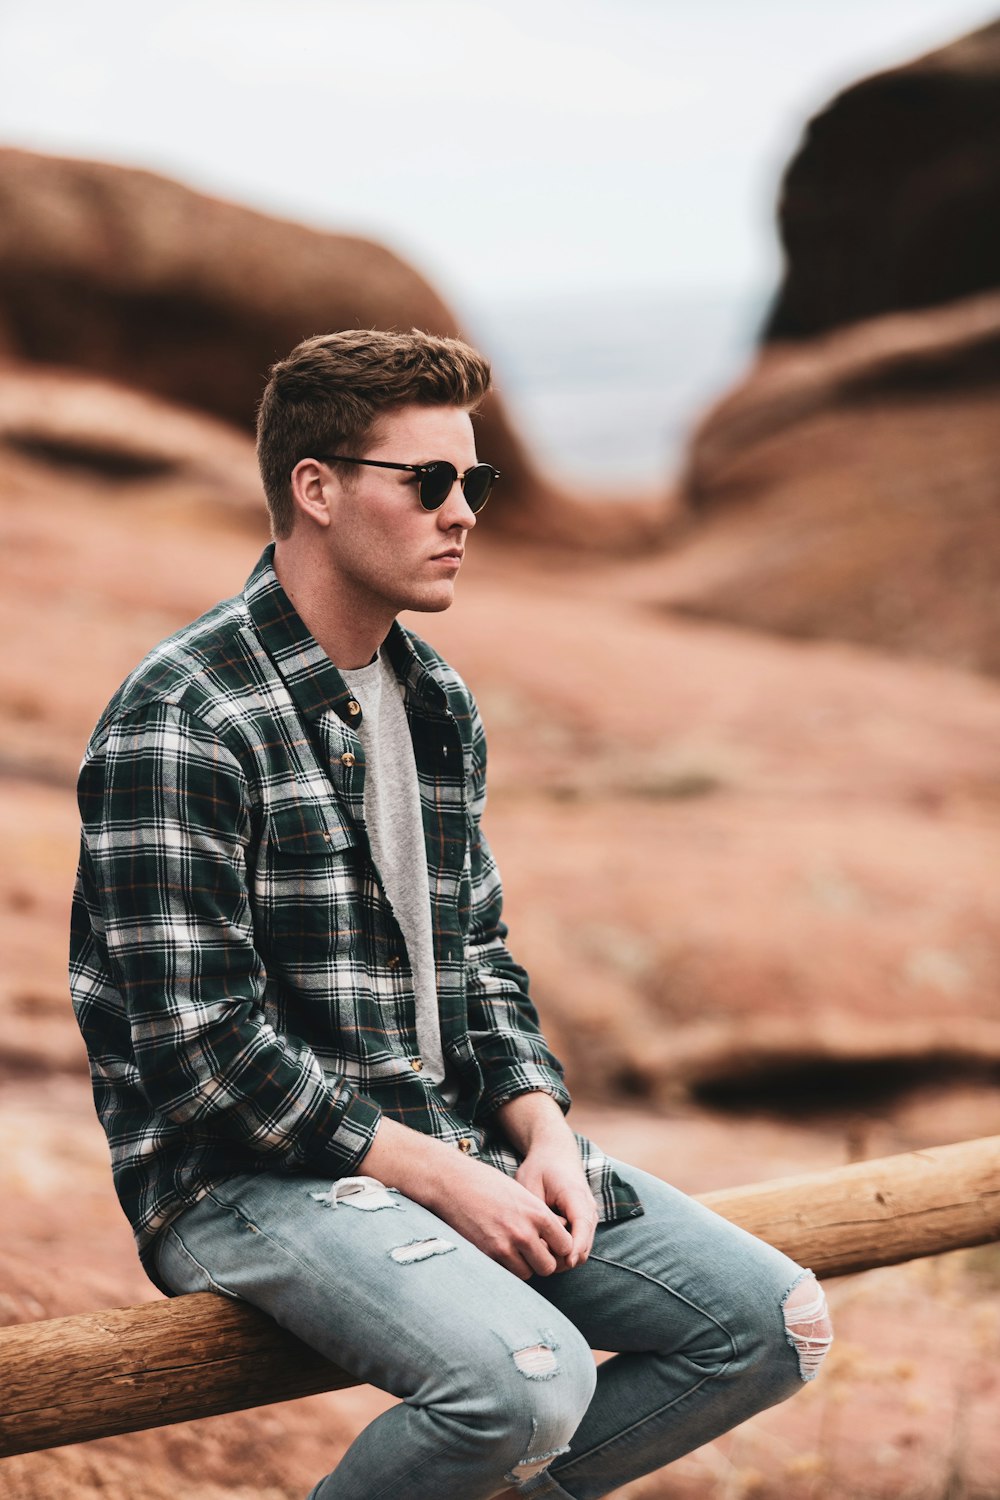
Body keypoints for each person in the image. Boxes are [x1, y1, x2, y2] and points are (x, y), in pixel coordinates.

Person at [69, 328, 831, 1500]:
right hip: (243, 1181)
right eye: (427, 482)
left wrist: (537, 1131)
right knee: (524, 1384)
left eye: (473, 481)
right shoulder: (185, 714)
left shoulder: (432, 700)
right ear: (314, 491)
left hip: (447, 1137)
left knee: (773, 1324)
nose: (463, 511)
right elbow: (199, 1052)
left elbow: (473, 956)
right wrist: (441, 1175)